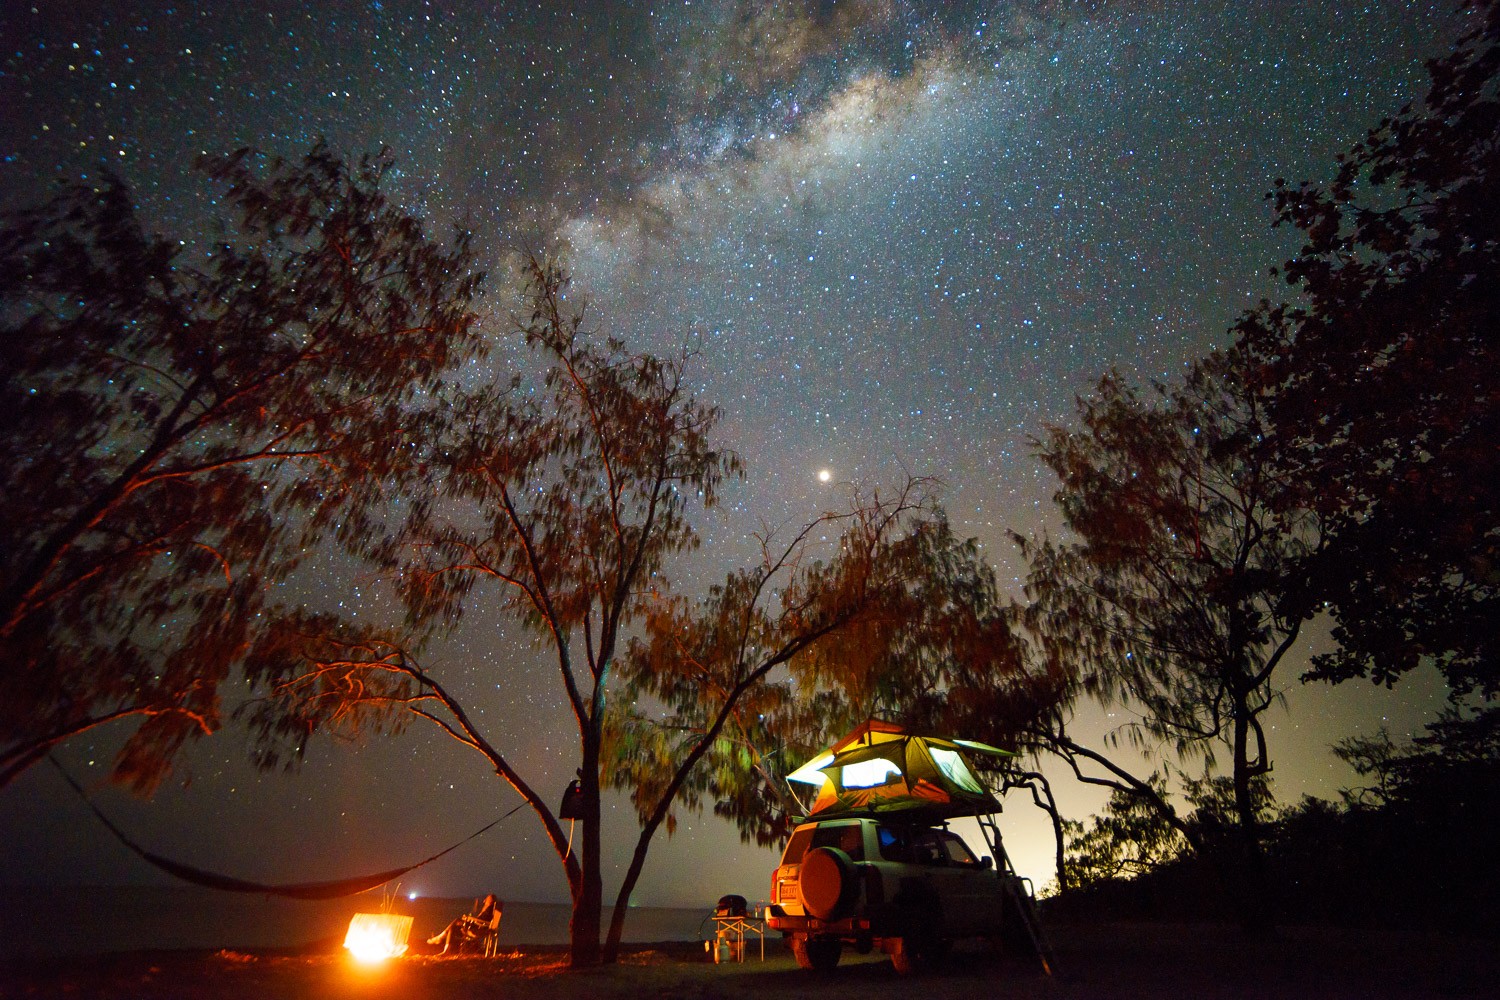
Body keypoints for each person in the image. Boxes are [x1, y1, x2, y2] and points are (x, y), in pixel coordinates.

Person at [426, 893, 502, 954]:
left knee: (457, 920)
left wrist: (470, 919)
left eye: (486, 899)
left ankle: (440, 938)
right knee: (453, 927)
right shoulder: (492, 910)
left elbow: (481, 921)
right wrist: (469, 919)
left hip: (477, 928)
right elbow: (482, 921)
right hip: (478, 926)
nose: (484, 901)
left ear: (490, 901)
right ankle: (445, 949)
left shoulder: (488, 910)